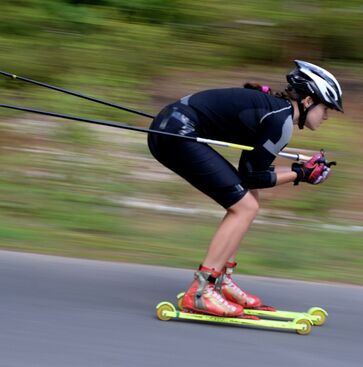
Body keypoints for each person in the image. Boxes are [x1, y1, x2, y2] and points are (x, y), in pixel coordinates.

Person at [147, 60, 343, 317]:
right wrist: (300, 173)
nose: (326, 116)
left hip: (170, 128)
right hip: (176, 134)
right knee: (245, 207)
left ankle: (220, 281)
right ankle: (201, 291)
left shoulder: (276, 112)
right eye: (326, 108)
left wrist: (300, 170)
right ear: (307, 101)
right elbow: (256, 175)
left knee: (249, 197)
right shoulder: (280, 121)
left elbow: (250, 178)